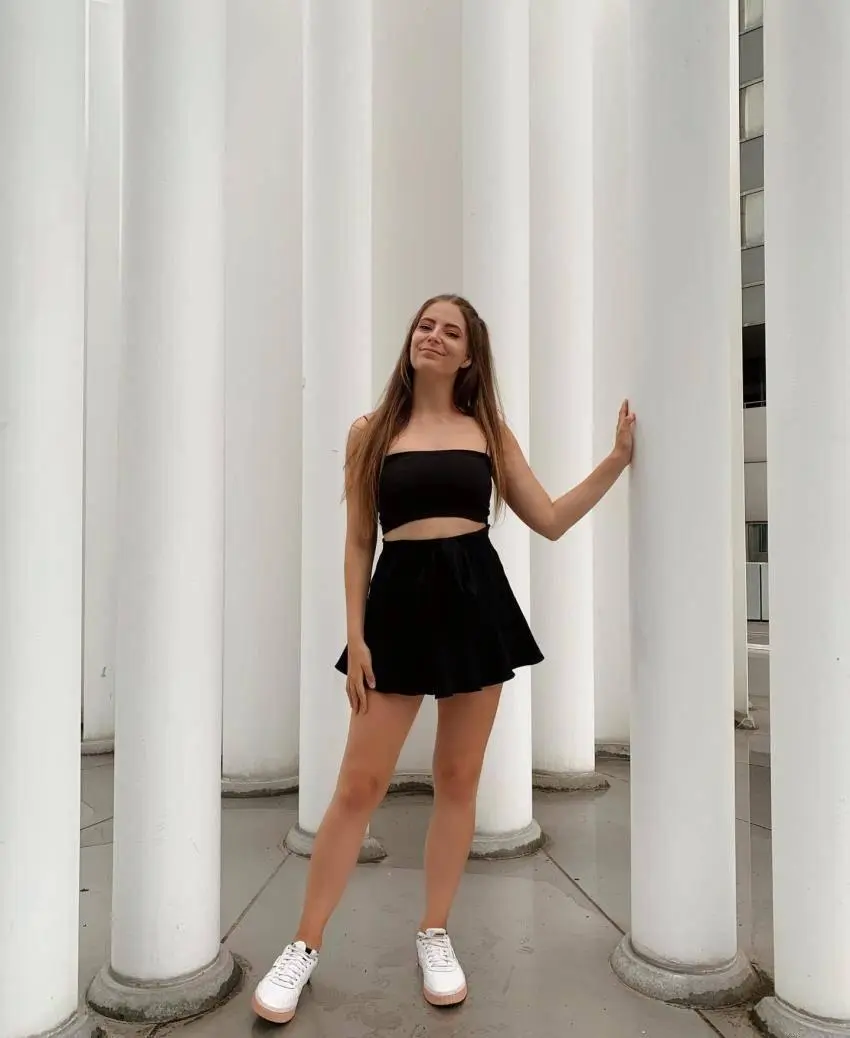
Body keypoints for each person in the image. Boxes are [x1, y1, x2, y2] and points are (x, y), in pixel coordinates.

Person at [252, 294, 635, 1024]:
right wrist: (356, 639)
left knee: (457, 780)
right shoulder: (370, 431)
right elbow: (359, 542)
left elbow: (550, 519)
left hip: (474, 604)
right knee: (357, 787)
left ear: (468, 356)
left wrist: (615, 460)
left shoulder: (488, 431)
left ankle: (434, 933)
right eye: (425, 325)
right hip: (395, 607)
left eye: (450, 331)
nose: (433, 336)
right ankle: (303, 945)